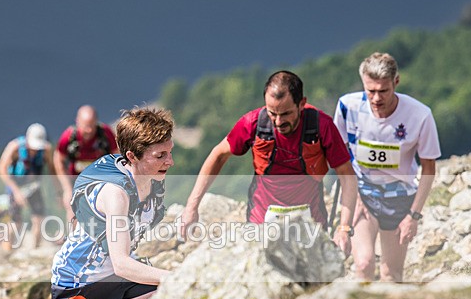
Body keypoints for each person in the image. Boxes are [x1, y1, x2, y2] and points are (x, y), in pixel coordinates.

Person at [179, 71, 357, 255]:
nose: (278, 121)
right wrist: (192, 206)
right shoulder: (253, 123)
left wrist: (344, 229)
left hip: (311, 223)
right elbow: (218, 155)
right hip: (261, 222)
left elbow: (347, 175)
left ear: (302, 104)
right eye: (272, 113)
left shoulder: (322, 126)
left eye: (286, 113)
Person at [51, 107, 174, 299]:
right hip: (79, 280)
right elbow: (122, 264)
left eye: (170, 153)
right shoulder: (116, 194)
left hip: (121, 274)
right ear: (132, 155)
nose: (170, 162)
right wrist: (178, 276)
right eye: (160, 155)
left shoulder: (153, 180)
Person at [334, 52, 441, 281]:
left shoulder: (420, 115)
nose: (376, 98)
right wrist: (353, 199)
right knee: (363, 263)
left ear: (396, 82)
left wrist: (414, 215)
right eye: (370, 91)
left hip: (399, 195)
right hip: (363, 192)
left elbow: (429, 168)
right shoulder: (347, 106)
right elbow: (340, 158)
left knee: (391, 274)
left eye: (383, 91)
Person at [0, 123, 58, 250]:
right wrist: (16, 191)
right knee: (15, 222)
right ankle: (6, 251)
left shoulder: (45, 150)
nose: (35, 150)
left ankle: (35, 249)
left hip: (34, 187)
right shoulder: (15, 147)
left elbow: (53, 170)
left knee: (39, 219)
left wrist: (59, 191)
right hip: (15, 186)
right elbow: (1, 169)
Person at [53, 105, 119, 220]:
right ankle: (74, 236)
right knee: (72, 207)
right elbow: (58, 160)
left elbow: (117, 157)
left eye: (92, 125)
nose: (89, 130)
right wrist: (66, 187)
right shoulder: (68, 137)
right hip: (76, 181)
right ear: (78, 122)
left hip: (100, 181)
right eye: (86, 126)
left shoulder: (105, 134)